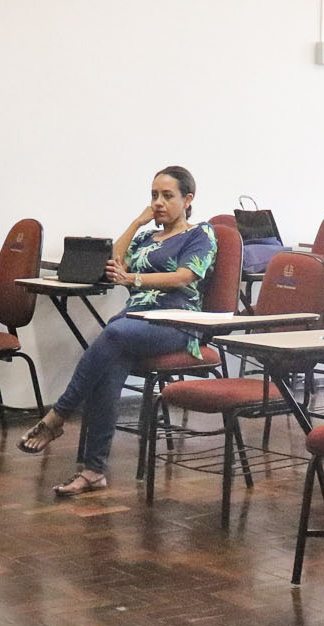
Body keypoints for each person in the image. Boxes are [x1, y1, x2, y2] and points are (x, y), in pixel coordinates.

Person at [17, 166, 216, 497]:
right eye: (154, 195)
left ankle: (58, 415)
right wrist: (137, 223)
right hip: (135, 322)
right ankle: (94, 471)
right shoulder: (145, 238)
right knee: (111, 361)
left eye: (167, 196)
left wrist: (133, 279)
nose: (158, 202)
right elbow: (112, 263)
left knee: (113, 335)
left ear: (188, 199)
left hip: (179, 321)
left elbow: (185, 276)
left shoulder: (200, 234)